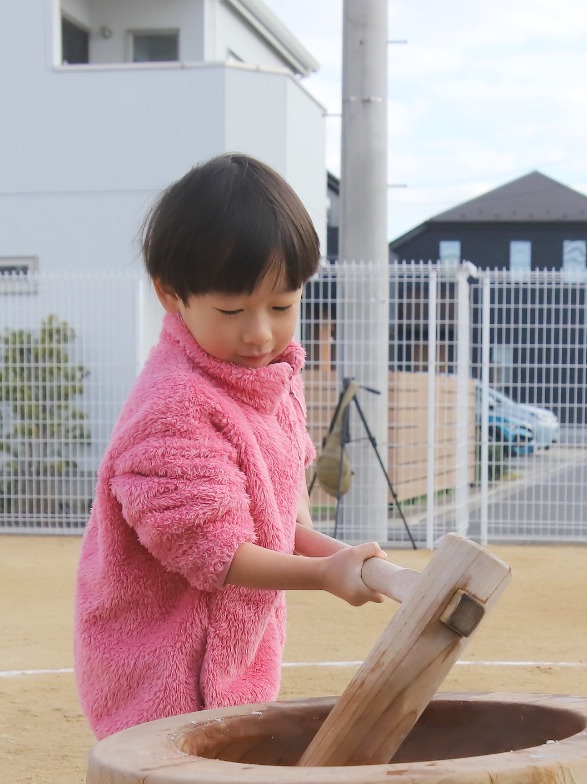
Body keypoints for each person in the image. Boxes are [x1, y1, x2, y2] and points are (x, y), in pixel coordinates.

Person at [74, 154, 384, 738]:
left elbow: (278, 526)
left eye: (282, 306)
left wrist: (343, 559)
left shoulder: (273, 386)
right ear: (172, 295)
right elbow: (217, 552)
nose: (259, 332)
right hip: (159, 673)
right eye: (232, 309)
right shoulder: (173, 411)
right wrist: (323, 575)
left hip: (232, 663)